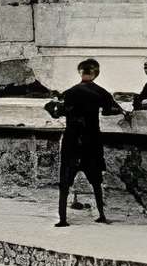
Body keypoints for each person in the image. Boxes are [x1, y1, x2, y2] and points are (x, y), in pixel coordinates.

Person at [46, 58, 122, 227]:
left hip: (71, 139)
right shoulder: (101, 92)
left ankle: (63, 219)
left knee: (65, 181)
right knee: (96, 182)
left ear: (80, 72)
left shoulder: (70, 92)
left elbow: (56, 111)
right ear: (96, 73)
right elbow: (112, 110)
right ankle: (101, 214)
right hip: (91, 139)